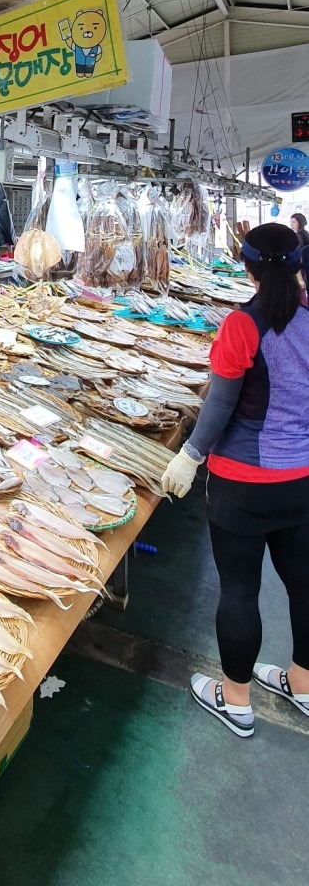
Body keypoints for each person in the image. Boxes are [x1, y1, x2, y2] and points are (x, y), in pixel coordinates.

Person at [161, 223, 309, 737]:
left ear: (247, 267)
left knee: (241, 590)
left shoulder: (242, 325)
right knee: (304, 584)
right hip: (302, 479)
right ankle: (303, 684)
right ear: (298, 264)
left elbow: (221, 402)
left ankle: (236, 699)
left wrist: (189, 455)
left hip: (243, 485)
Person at [290, 212, 309, 292]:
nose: (291, 225)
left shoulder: (297, 235)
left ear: (300, 222)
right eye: (291, 223)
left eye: (294, 222)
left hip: (302, 266)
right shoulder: (306, 233)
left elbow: (298, 253)